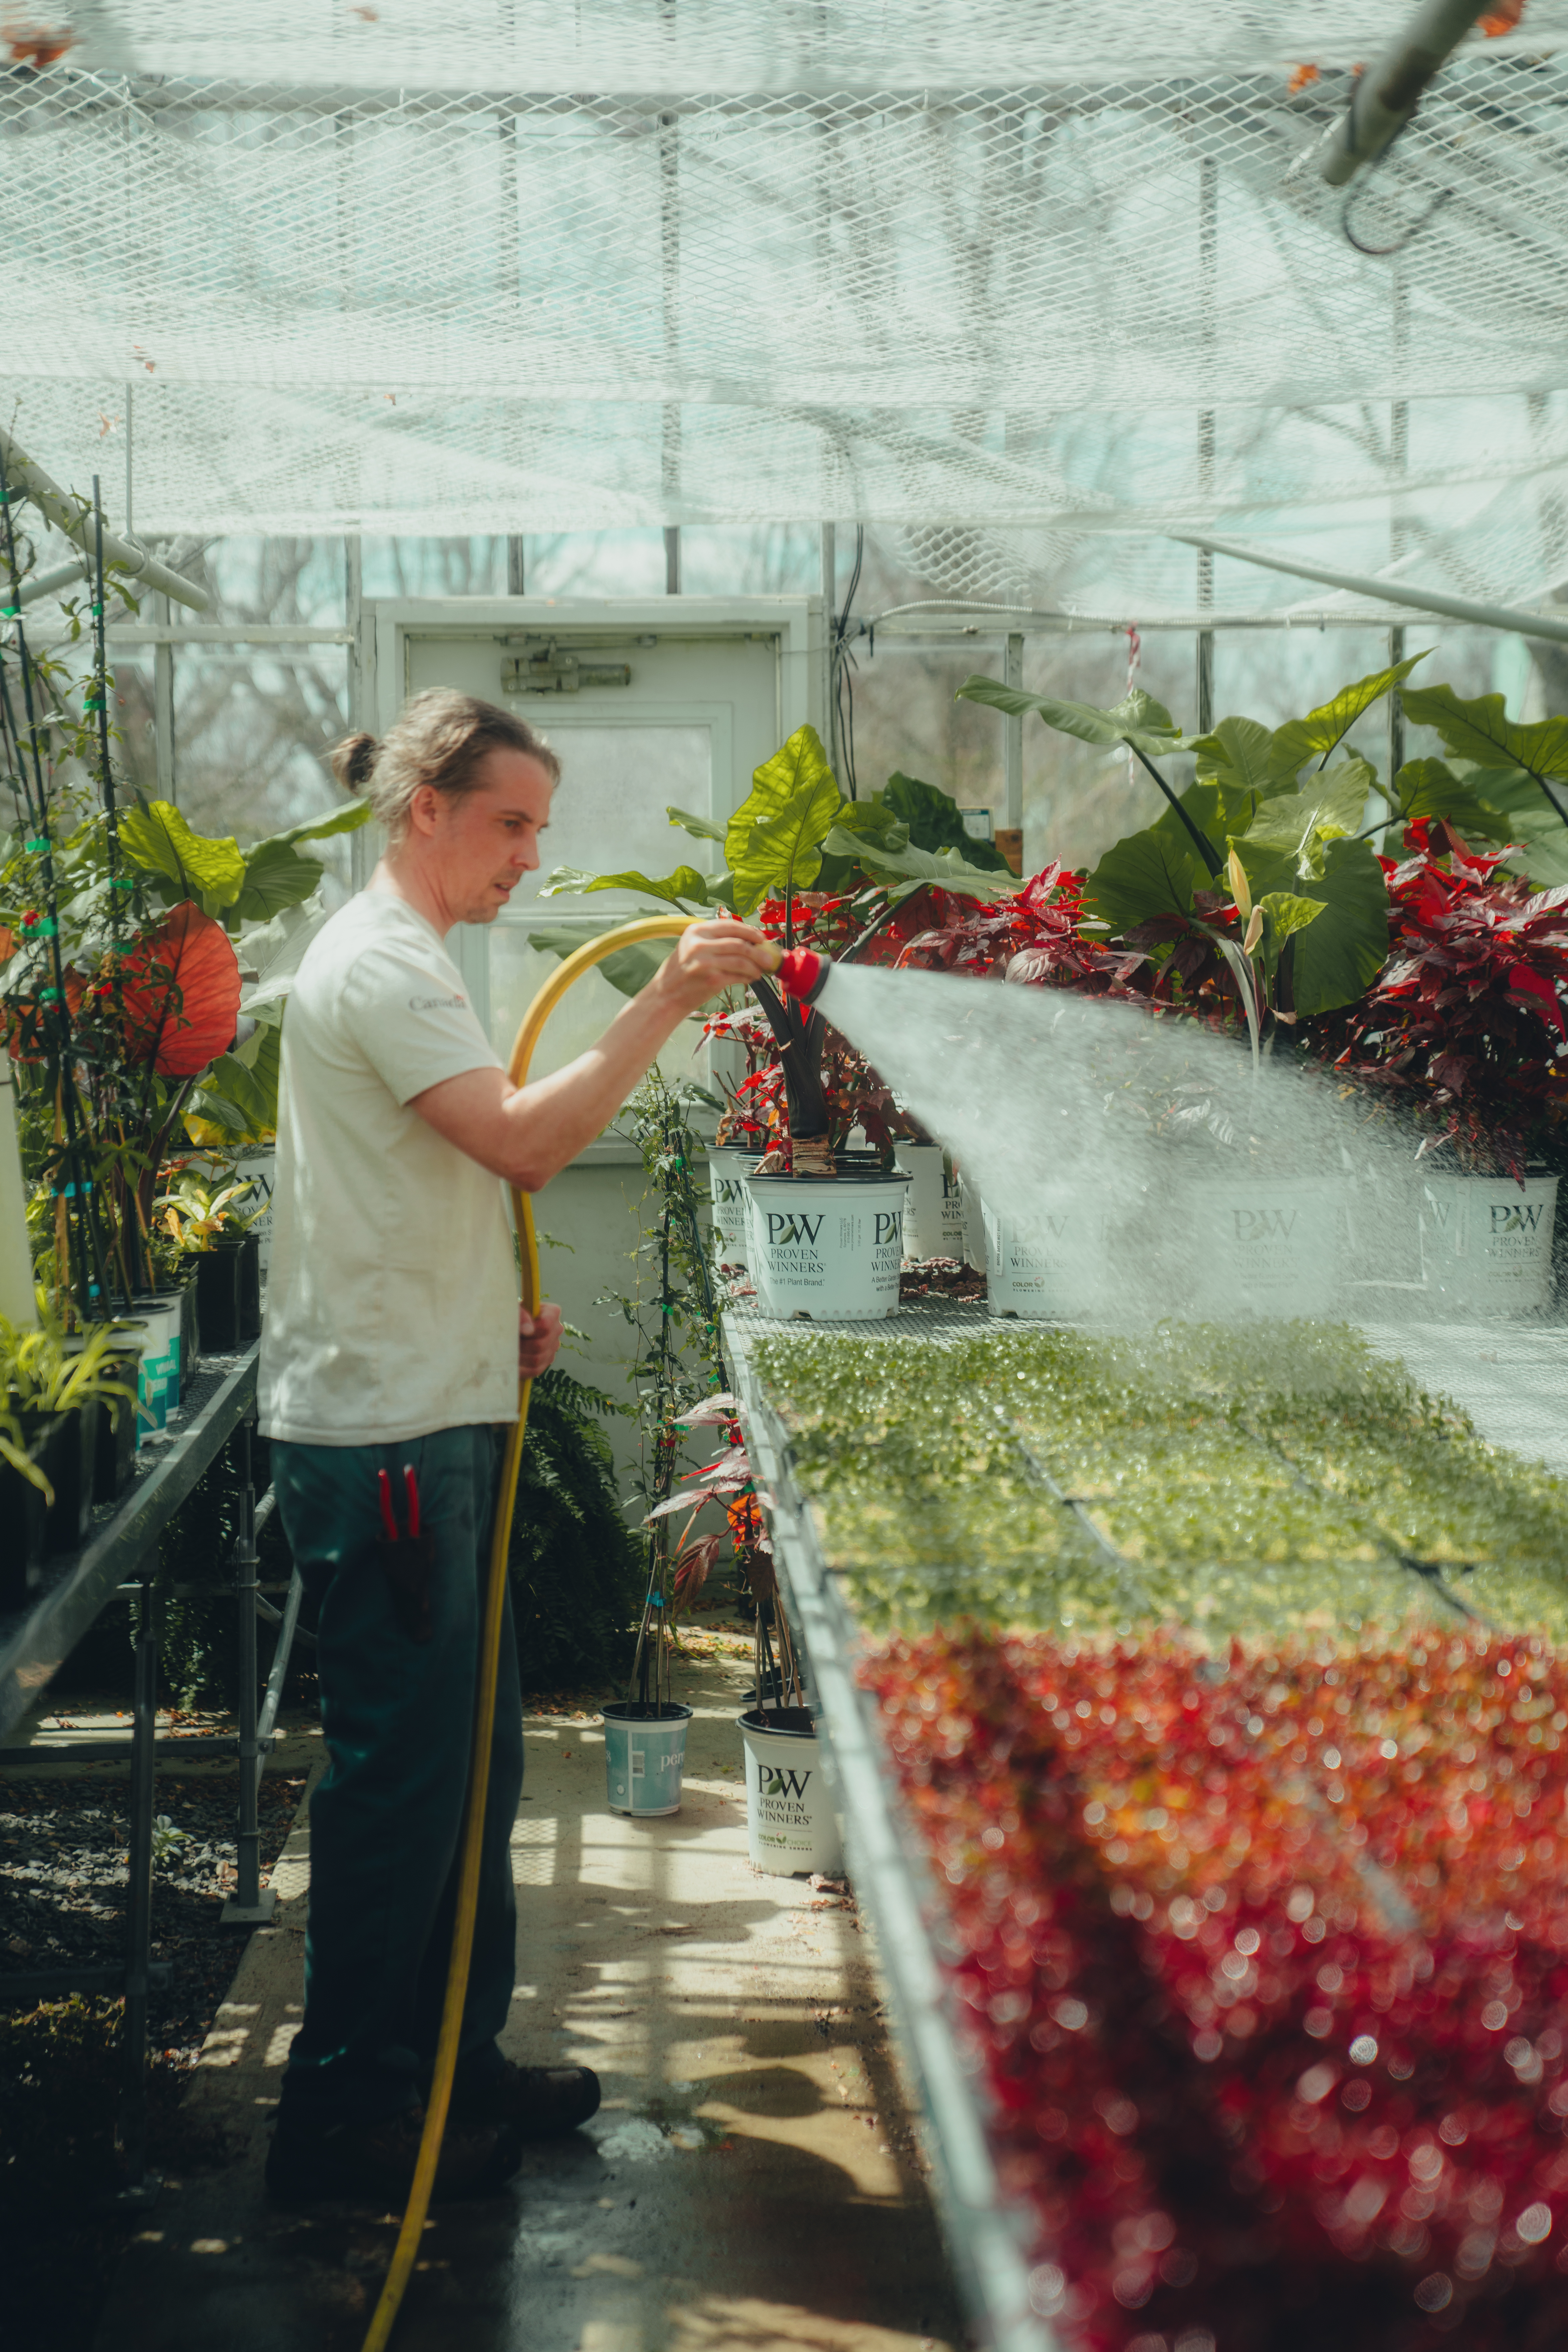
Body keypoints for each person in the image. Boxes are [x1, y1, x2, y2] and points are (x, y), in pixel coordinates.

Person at [257, 688, 774, 2203]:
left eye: (540, 828)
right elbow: (527, 1144)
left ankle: (448, 2068)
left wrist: (496, 1314)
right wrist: (665, 999)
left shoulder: (412, 959)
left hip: (436, 1400)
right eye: (510, 824)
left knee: (470, 1777)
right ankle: (346, 2110)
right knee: (402, 1786)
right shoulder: (382, 965)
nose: (530, 858)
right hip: (389, 1439)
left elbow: (427, 1178)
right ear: (425, 805)